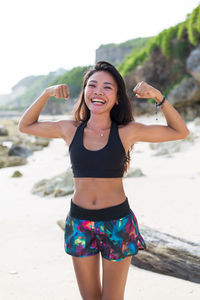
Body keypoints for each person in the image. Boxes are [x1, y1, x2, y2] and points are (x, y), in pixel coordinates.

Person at [18, 61, 190, 300]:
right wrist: (47, 93)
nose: (98, 91)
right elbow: (25, 126)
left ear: (117, 98)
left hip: (117, 224)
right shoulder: (70, 129)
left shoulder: (127, 131)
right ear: (85, 93)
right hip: (80, 223)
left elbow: (180, 132)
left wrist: (158, 97)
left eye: (107, 87)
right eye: (92, 85)